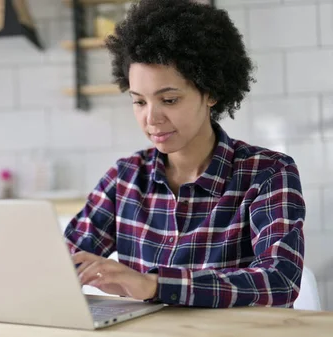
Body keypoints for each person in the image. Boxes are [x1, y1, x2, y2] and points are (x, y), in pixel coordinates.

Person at [66, 0, 305, 308]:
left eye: (169, 99)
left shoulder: (268, 173)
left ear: (212, 93)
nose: (151, 119)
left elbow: (280, 280)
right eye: (139, 102)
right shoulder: (124, 178)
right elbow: (62, 260)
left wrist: (154, 284)